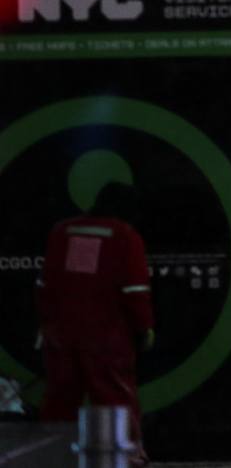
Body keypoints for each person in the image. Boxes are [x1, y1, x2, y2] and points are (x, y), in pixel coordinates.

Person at [38, 183, 154, 465]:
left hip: (61, 333)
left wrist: (46, 325)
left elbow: (44, 285)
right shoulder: (125, 236)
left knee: (61, 397)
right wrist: (145, 327)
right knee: (115, 397)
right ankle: (124, 456)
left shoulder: (62, 231)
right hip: (106, 336)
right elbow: (135, 291)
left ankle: (54, 454)